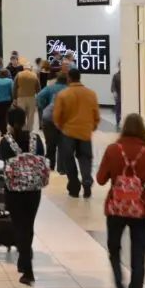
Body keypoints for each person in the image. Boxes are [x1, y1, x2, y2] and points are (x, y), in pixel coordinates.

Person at [96, 114, 145, 288]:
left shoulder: (113, 149)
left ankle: (119, 283)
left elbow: (99, 179)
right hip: (140, 209)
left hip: (116, 208)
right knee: (138, 256)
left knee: (114, 248)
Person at [0, 108, 47, 285]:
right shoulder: (35, 139)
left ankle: (27, 268)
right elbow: (42, 155)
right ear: (25, 120)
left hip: (14, 189)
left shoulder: (6, 141)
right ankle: (24, 259)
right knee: (29, 224)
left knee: (18, 226)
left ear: (9, 122)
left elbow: (0, 157)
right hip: (34, 189)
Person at [54, 68, 101, 198]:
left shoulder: (63, 94)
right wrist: (91, 127)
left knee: (68, 159)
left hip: (68, 132)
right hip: (85, 132)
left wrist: (61, 127)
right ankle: (86, 180)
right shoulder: (91, 94)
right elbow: (96, 115)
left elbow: (57, 116)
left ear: (68, 78)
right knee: (85, 158)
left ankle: (74, 186)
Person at [37, 73, 68, 171]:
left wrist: (45, 106)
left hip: (48, 118)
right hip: (63, 120)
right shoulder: (69, 89)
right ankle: (61, 168)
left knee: (50, 144)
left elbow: (39, 97)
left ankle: (50, 167)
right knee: (63, 144)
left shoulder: (50, 88)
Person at [13, 63, 41, 131]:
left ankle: (21, 129)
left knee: (21, 115)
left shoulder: (19, 74)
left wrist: (14, 98)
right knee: (30, 116)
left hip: (20, 97)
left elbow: (15, 87)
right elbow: (38, 88)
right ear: (30, 68)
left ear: (24, 68)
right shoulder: (34, 75)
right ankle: (29, 130)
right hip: (31, 97)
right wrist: (38, 97)